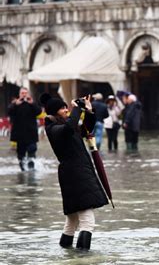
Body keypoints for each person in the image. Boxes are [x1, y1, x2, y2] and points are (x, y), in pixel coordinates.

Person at [41, 93, 109, 251]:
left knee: (72, 220)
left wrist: (89, 111)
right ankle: (82, 259)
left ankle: (66, 252)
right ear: (54, 111)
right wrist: (77, 108)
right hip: (75, 174)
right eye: (63, 108)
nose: (66, 110)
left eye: (66, 107)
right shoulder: (54, 128)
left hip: (74, 173)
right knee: (88, 221)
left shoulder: (64, 126)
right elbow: (69, 127)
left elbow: (86, 130)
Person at [8, 87, 42, 171]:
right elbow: (9, 111)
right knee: (21, 155)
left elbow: (39, 112)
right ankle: (22, 170)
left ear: (28, 94)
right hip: (20, 135)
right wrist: (15, 104)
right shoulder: (15, 104)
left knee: (32, 153)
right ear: (19, 94)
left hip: (31, 134)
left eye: (25, 93)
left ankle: (31, 171)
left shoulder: (32, 104)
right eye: (22, 93)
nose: (24, 95)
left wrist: (32, 103)